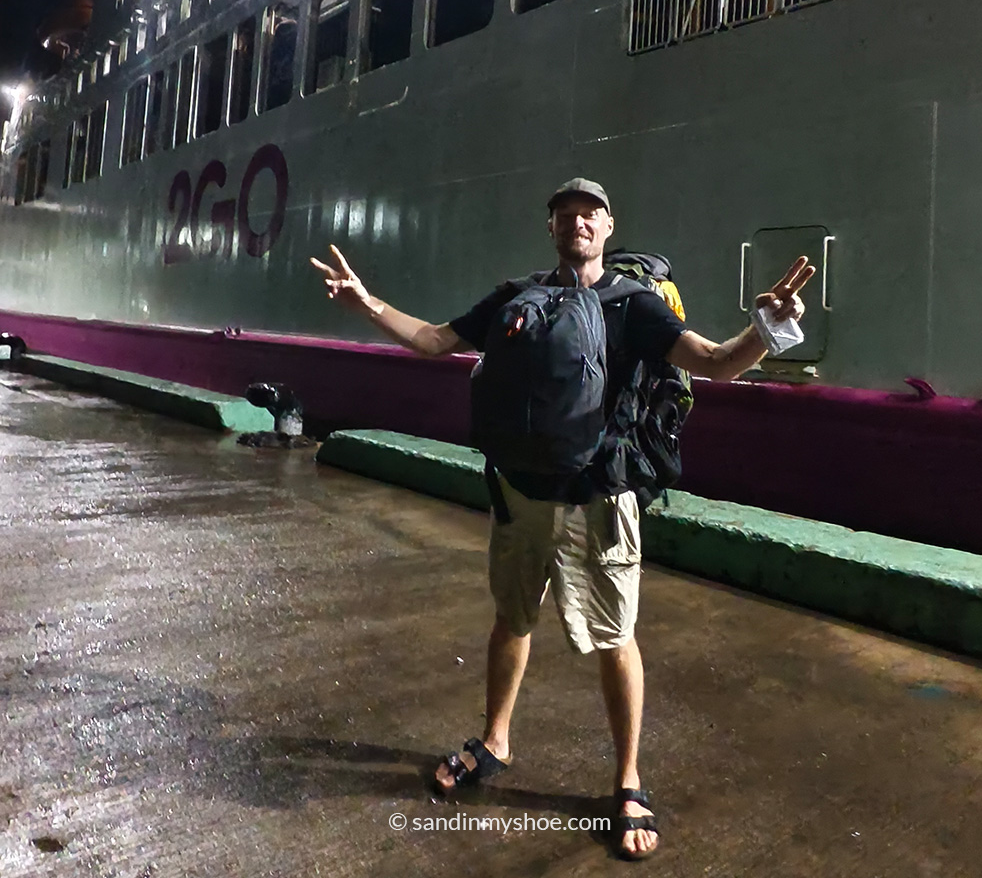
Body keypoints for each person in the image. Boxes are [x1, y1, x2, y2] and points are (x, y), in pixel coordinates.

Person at [309, 179, 814, 861]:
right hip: (520, 493)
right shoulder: (516, 298)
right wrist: (363, 301)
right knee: (511, 618)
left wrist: (768, 328)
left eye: (590, 214)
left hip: (601, 499)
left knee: (615, 638)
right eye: (566, 214)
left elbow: (717, 364)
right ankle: (495, 740)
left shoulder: (634, 307)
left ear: (609, 227)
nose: (578, 222)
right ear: (550, 226)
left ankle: (628, 778)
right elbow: (433, 341)